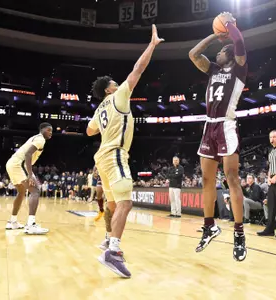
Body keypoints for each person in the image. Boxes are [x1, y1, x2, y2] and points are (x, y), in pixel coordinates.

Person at [86, 24, 164, 278]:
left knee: (111, 203)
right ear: (110, 89)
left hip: (101, 158)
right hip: (115, 154)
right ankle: (113, 252)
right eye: (114, 83)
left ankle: (108, 240)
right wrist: (151, 45)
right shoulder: (119, 95)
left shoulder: (99, 109)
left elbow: (89, 131)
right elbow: (138, 69)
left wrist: (103, 124)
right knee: (126, 203)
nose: (119, 83)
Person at [189, 12, 248, 261]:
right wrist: (215, 34)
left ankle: (239, 233)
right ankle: (209, 225)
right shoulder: (212, 69)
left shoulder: (239, 69)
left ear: (229, 54)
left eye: (220, 52)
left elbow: (240, 45)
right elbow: (193, 54)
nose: (216, 56)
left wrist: (231, 27)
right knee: (206, 180)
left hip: (226, 125)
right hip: (208, 126)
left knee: (232, 179)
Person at [5, 123, 53, 234]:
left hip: (12, 163)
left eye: (51, 131)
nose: (50, 133)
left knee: (21, 192)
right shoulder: (40, 139)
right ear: (42, 130)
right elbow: (28, 154)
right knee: (35, 191)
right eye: (48, 130)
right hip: (18, 165)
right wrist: (30, 175)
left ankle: (12, 221)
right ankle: (31, 225)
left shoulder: (35, 137)